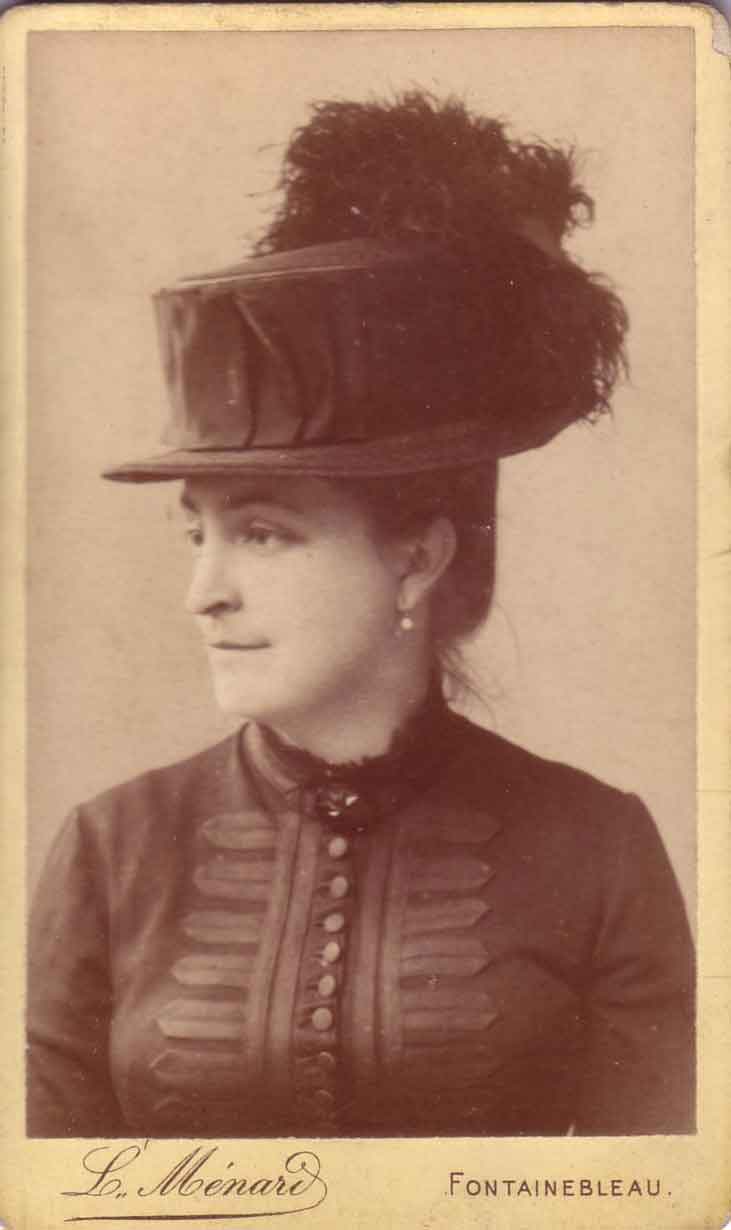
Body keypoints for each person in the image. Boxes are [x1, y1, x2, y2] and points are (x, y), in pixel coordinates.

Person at [27, 92, 694, 1138]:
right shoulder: (110, 851)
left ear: (415, 559)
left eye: (264, 534)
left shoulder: (596, 849)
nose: (205, 592)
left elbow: (655, 1197)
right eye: (196, 534)